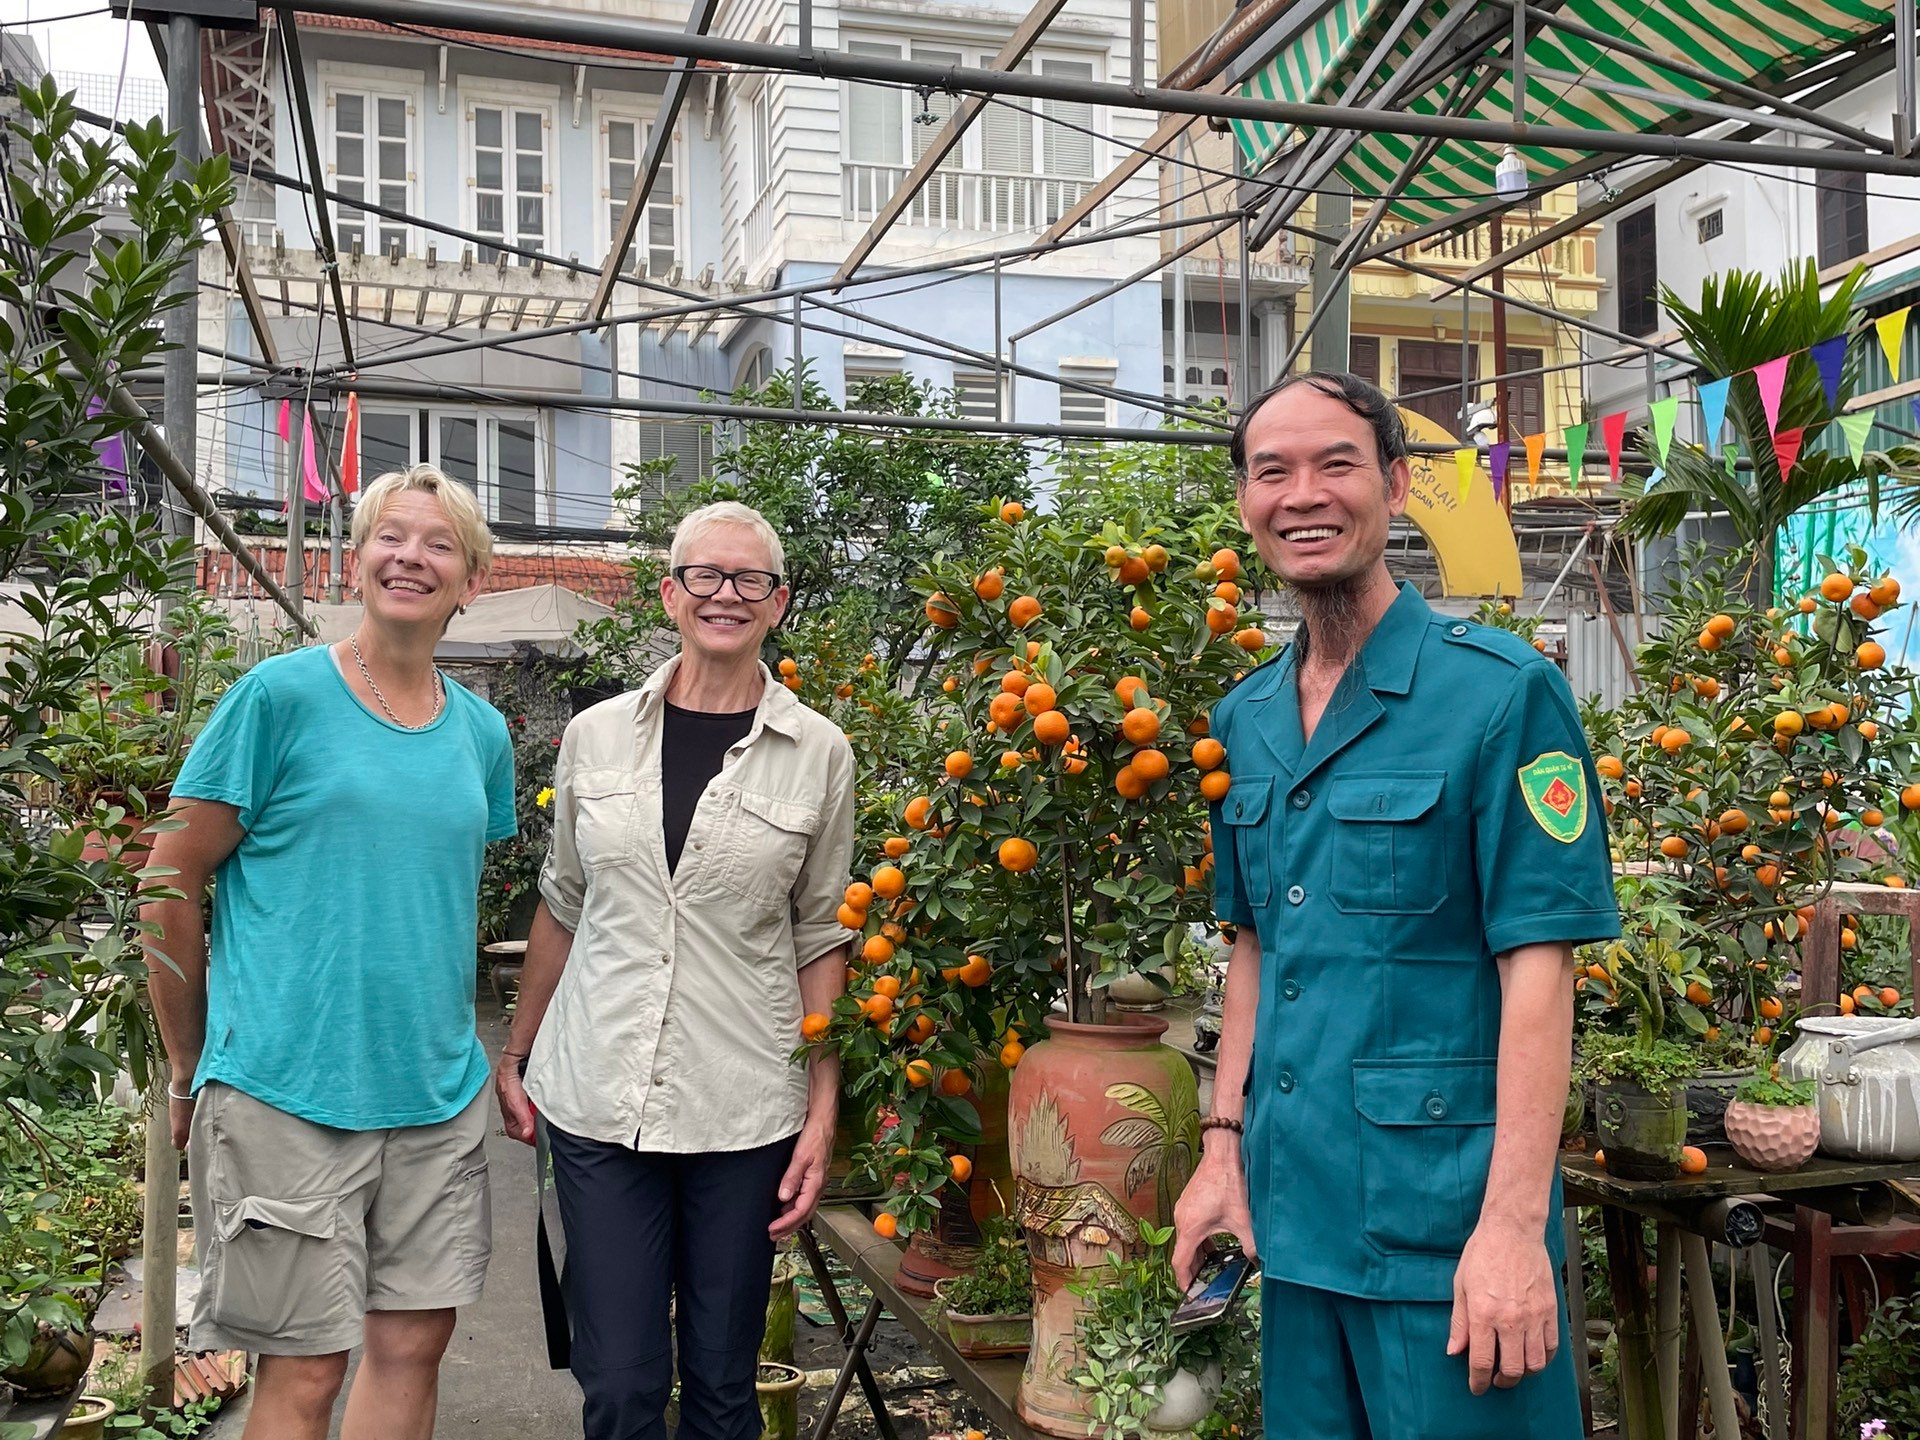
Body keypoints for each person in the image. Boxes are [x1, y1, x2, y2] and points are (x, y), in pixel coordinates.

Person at [1171, 373, 1620, 1439]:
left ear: (1398, 485)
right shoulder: (1245, 719)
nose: (1304, 494)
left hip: (1443, 1232)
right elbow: (1252, 946)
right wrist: (1222, 1157)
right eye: (1272, 471)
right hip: (1296, 1222)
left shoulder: (1503, 695)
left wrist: (1513, 1226)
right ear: (1244, 502)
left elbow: (1541, 968)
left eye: (1337, 463)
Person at [143, 465, 514, 1440]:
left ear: (470, 578)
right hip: (284, 1096)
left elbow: (425, 896)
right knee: (304, 1376)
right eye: (392, 536)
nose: (412, 557)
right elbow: (167, 882)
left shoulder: (483, 734)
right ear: (355, 559)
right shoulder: (278, 697)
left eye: (440, 544)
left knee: (409, 1353)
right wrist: (191, 1062)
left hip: (434, 1099)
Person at [495, 500, 855, 1440]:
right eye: (705, 574)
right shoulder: (597, 735)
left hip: (743, 1106)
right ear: (670, 592)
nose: (725, 594)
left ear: (777, 603)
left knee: (724, 1385)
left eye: (749, 580)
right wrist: (518, 1051)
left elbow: (821, 932)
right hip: (598, 1094)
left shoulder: (818, 751)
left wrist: (824, 1107)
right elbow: (562, 902)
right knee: (619, 1383)